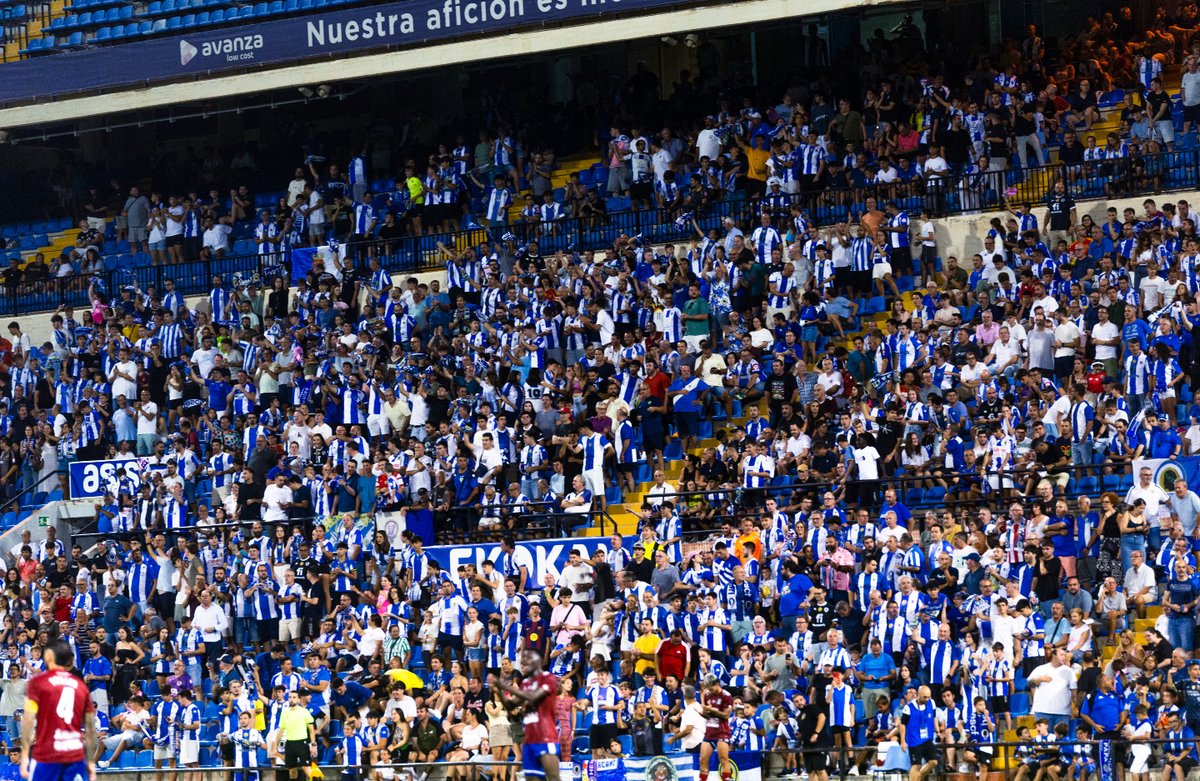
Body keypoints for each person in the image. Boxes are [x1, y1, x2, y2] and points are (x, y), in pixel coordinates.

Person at [20, 639, 98, 781]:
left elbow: (28, 720)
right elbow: (90, 728)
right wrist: (91, 762)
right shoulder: (81, 686)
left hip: (47, 755)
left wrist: (25, 755)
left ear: (49, 656)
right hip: (75, 756)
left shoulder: (38, 682)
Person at [487, 648, 561, 781]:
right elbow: (510, 705)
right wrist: (498, 692)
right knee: (532, 779)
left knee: (553, 778)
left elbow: (533, 697)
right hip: (529, 739)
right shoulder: (526, 683)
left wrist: (504, 686)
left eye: (528, 658)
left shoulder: (548, 678)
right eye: (523, 659)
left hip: (546, 736)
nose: (524, 661)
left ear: (538, 661)